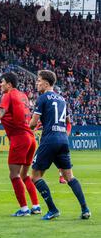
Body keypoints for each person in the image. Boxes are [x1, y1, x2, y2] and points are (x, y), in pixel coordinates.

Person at [0, 72, 41, 217]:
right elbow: (5, 115)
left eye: (2, 82)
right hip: (30, 138)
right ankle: (36, 206)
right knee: (24, 174)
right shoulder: (22, 95)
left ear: (9, 84)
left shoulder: (8, 95)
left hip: (19, 138)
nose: (0, 84)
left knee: (14, 175)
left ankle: (24, 209)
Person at [29, 70, 91, 220]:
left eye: (38, 81)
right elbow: (68, 123)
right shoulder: (62, 99)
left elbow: (32, 124)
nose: (37, 83)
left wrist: (31, 124)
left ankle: (53, 209)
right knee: (69, 177)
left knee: (35, 176)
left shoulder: (43, 98)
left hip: (49, 140)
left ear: (46, 83)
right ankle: (85, 209)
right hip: (63, 140)